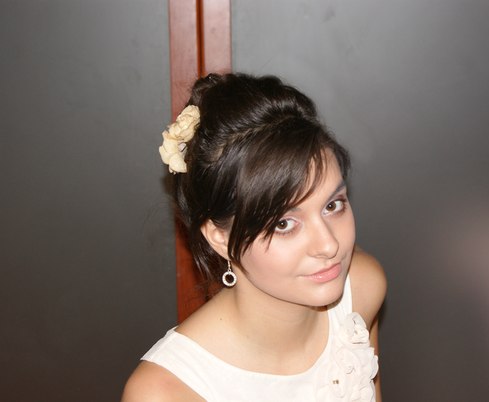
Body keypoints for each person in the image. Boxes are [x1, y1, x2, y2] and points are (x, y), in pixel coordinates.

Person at [122, 73, 387, 402]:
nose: (329, 245)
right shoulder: (166, 392)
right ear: (220, 238)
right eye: (284, 224)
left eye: (333, 205)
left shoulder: (361, 289)